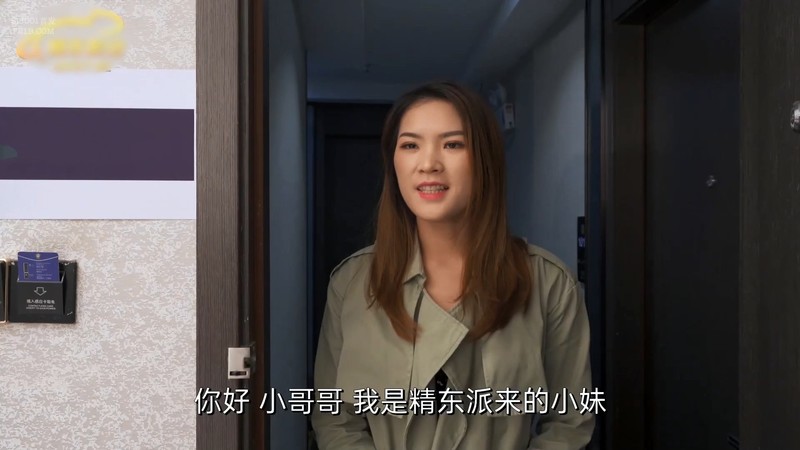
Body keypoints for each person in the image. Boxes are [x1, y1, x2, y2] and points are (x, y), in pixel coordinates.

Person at [311, 81, 595, 449]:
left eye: (453, 144)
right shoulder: (353, 283)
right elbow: (335, 419)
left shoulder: (548, 283)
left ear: (484, 160)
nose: (429, 164)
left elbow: (570, 423)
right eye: (410, 145)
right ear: (393, 163)